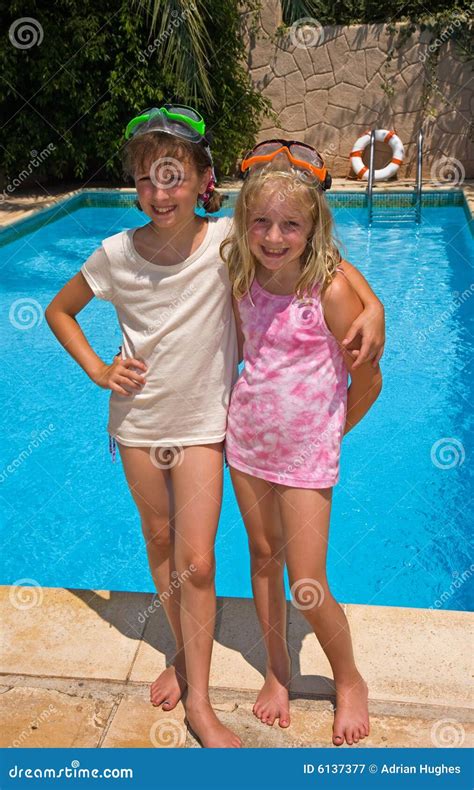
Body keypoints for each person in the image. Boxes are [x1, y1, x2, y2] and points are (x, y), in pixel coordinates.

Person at [45, 114, 384, 748]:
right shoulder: (182, 260)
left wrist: (376, 313)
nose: (160, 191)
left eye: (174, 177)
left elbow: (333, 278)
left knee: (255, 573)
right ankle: (235, 665)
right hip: (201, 434)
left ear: (204, 182)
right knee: (209, 553)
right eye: (146, 179)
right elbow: (62, 308)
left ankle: (329, 681)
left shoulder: (257, 254)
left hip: (248, 441)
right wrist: (98, 368)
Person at [222, 141, 383, 746]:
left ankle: (349, 680)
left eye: (291, 224)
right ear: (244, 222)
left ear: (313, 226)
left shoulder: (331, 290)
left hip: (305, 454)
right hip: (247, 440)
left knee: (306, 581)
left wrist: (330, 433)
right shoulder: (239, 272)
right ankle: (277, 670)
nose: (273, 235)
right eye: (260, 221)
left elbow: (368, 379)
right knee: (263, 558)